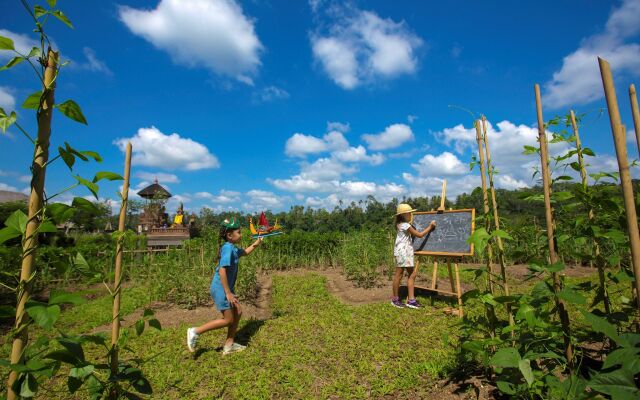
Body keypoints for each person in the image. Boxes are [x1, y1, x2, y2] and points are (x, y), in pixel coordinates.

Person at [187, 216, 263, 354]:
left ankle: (229, 345)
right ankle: (195, 331)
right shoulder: (228, 248)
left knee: (238, 312)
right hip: (221, 289)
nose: (241, 234)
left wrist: (257, 242)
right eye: (239, 232)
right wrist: (228, 293)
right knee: (228, 320)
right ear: (229, 235)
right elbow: (222, 271)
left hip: (225, 288)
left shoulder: (232, 248)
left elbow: (245, 252)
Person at [392, 203, 436, 309]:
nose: (411, 215)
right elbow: (419, 235)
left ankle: (410, 300)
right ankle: (395, 299)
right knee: (400, 274)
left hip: (405, 252)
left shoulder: (401, 224)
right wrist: (430, 227)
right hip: (403, 252)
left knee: (411, 274)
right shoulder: (405, 225)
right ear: (404, 214)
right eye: (409, 213)